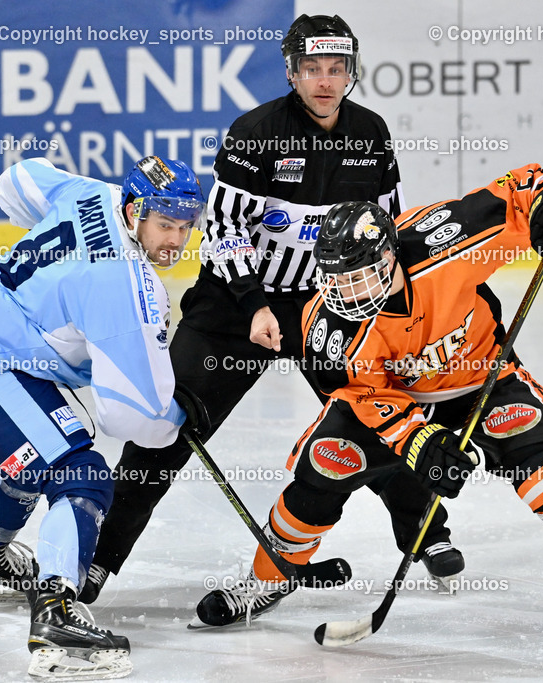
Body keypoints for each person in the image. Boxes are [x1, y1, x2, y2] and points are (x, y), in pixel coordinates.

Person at [193, 166, 543, 664]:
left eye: (360, 278)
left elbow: (525, 185)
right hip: (400, 399)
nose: (349, 293)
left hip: (479, 380)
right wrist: (417, 441)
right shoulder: (329, 325)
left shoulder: (444, 242)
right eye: (339, 280)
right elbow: (362, 394)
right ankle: (269, 578)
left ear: (388, 258)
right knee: (326, 464)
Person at [82, 13, 465, 606]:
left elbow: (390, 228)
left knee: (374, 410)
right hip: (236, 306)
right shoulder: (256, 133)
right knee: (166, 429)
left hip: (331, 307)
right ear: (292, 71)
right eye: (312, 69)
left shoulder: (371, 133)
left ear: (350, 73)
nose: (324, 81)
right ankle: (99, 562)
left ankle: (424, 532)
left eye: (336, 69)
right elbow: (225, 232)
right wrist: (257, 305)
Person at [0, 155, 208, 678]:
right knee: (82, 473)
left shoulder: (91, 192)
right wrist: (176, 415)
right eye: (166, 225)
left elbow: (16, 183)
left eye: (187, 226)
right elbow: (130, 417)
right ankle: (56, 614)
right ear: (136, 211)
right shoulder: (128, 288)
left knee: (37, 454)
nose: (176, 240)